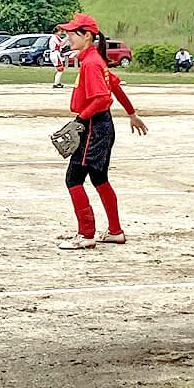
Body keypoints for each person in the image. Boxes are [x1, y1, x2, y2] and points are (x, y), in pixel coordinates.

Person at [55, 13, 148, 250]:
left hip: (94, 126)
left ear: (86, 36)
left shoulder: (91, 63)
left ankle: (86, 235)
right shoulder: (95, 60)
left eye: (72, 33)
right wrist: (131, 113)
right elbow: (115, 86)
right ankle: (115, 232)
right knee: (99, 178)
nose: (67, 36)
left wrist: (80, 120)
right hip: (101, 125)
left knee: (73, 178)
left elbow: (102, 98)